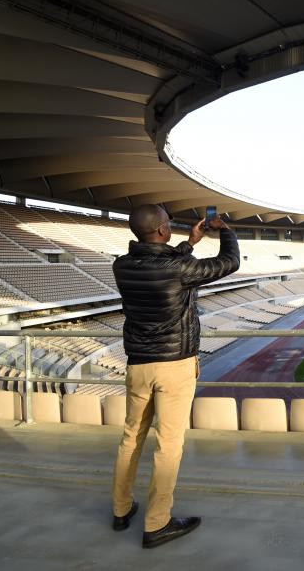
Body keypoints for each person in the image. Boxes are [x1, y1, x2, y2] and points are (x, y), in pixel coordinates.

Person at [110, 204, 239, 548]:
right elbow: (229, 263)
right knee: (168, 444)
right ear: (163, 230)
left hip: (138, 364)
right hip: (175, 366)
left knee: (131, 438)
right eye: (168, 224)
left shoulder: (121, 265)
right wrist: (223, 229)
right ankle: (157, 523)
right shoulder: (179, 267)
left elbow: (159, 264)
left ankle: (121, 510)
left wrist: (189, 243)